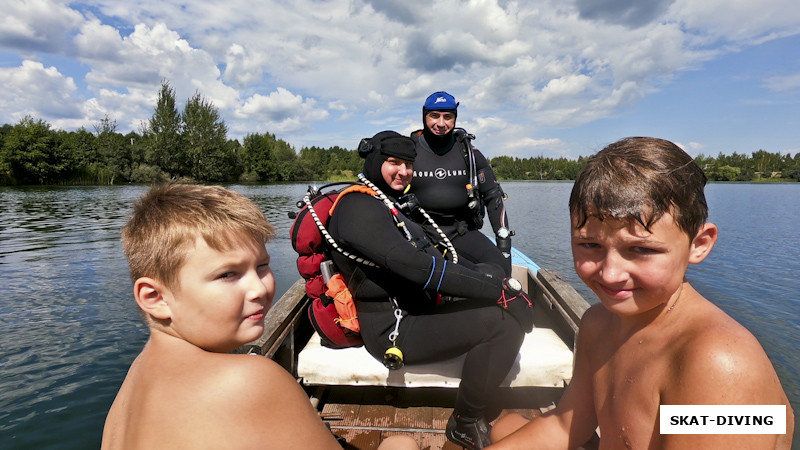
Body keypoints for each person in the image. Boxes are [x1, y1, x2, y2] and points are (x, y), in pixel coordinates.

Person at [488, 137, 794, 449]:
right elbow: (567, 426)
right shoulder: (598, 323)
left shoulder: (720, 363)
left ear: (698, 244)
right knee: (504, 427)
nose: (610, 273)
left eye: (641, 249)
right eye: (590, 244)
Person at [101, 184, 418, 450]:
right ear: (155, 298)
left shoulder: (134, 379)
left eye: (262, 266)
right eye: (228, 274)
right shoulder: (249, 379)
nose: (261, 287)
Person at [327, 130, 533, 450]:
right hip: (394, 326)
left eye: (409, 164)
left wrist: (490, 277)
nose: (404, 171)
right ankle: (466, 422)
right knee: (502, 324)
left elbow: (439, 254)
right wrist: (497, 291)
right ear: (374, 161)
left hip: (420, 307)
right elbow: (417, 267)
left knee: (489, 271)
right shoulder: (357, 207)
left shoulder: (388, 202)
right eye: (394, 162)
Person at [409, 91, 513, 276]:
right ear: (424, 115)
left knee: (500, 267)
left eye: (448, 117)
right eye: (434, 116)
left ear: (455, 119)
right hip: (418, 231)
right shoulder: (409, 150)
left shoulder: (469, 153)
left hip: (460, 231)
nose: (441, 123)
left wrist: (503, 243)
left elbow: (492, 196)